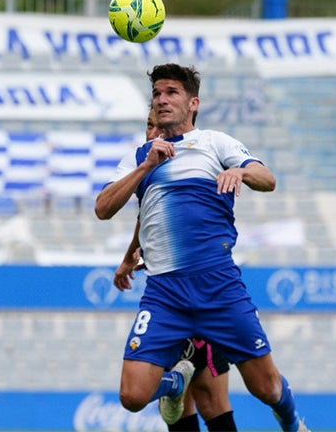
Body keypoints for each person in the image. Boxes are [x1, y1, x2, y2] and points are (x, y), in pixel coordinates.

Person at [96, 63, 308, 432]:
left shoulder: (215, 142)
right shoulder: (141, 156)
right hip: (165, 293)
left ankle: (291, 423)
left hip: (218, 287)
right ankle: (174, 385)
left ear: (193, 103)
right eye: (157, 94)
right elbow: (103, 208)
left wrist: (240, 171)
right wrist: (145, 167)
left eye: (171, 93)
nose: (161, 100)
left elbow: (268, 178)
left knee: (266, 387)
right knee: (132, 396)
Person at [112, 108, 238, 431]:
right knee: (177, 410)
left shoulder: (198, 163)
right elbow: (144, 218)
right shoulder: (148, 169)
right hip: (169, 304)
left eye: (159, 126)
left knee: (213, 403)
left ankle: (177, 384)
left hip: (204, 295)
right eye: (148, 126)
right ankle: (175, 384)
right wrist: (128, 258)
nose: (153, 132)